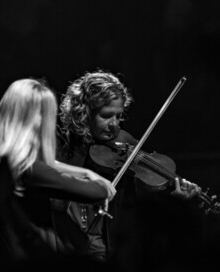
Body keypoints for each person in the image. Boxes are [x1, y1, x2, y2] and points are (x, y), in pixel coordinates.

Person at [52, 70, 202, 261]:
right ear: (84, 112)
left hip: (111, 253)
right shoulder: (63, 148)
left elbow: (138, 218)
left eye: (118, 116)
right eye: (106, 116)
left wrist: (172, 200)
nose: (114, 125)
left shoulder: (123, 146)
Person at [0, 78, 116, 261]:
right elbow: (97, 192)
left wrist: (86, 172)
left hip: (2, 257)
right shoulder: (28, 170)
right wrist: (100, 184)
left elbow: (48, 166)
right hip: (34, 263)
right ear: (34, 118)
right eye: (47, 115)